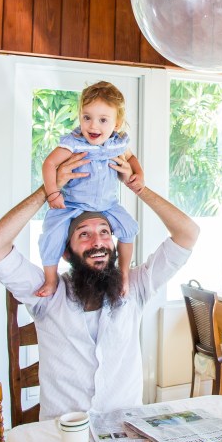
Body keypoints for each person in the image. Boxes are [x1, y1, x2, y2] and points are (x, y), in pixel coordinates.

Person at [0, 151, 200, 421]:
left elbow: (188, 233)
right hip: (61, 435)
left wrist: (138, 187)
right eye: (84, 233)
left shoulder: (135, 286)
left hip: (126, 431)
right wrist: (50, 190)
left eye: (105, 232)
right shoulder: (46, 293)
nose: (97, 242)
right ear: (65, 251)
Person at [38, 81, 143, 298]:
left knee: (129, 228)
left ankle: (123, 272)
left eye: (103, 120)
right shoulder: (74, 143)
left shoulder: (117, 143)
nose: (93, 126)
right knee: (52, 234)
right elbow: (49, 164)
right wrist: (52, 193)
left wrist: (138, 175)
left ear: (117, 123)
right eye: (87, 117)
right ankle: (50, 278)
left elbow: (131, 158)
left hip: (108, 205)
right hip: (73, 205)